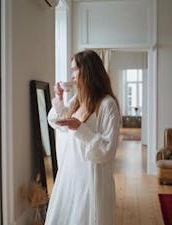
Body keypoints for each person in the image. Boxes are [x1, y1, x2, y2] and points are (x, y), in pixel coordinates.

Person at [45, 50, 121, 225]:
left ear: (87, 71)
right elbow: (56, 122)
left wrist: (80, 128)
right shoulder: (79, 100)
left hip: (91, 178)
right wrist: (59, 98)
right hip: (70, 173)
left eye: (74, 70)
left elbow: (108, 150)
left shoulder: (108, 105)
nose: (71, 76)